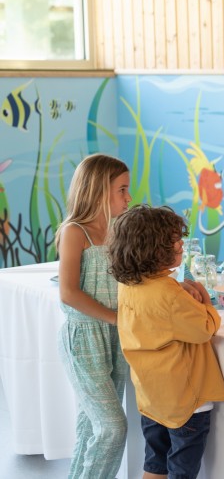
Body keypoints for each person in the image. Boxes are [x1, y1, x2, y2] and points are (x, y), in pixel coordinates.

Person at [108, 205, 224, 479]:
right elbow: (205, 330)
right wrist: (205, 299)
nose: (182, 246)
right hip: (185, 401)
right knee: (181, 470)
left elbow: (158, 309)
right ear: (157, 249)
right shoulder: (170, 294)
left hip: (151, 396)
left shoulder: (128, 283)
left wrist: (179, 290)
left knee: (155, 462)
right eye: (177, 241)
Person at [55, 153, 132, 478]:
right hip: (84, 339)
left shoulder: (118, 229)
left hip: (115, 340)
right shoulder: (75, 232)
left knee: (91, 427)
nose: (129, 197)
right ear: (99, 191)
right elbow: (68, 292)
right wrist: (116, 319)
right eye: (122, 190)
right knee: (113, 427)